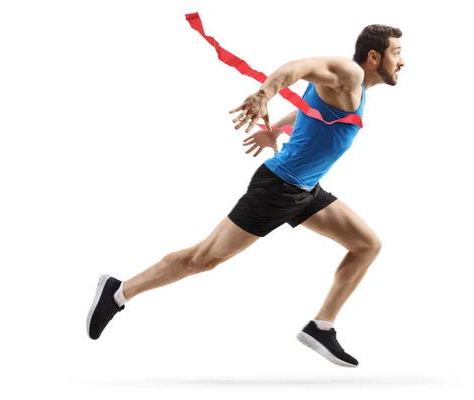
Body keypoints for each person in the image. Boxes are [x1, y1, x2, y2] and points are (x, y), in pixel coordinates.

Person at [87, 23, 404, 368]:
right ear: (374, 57)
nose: (402, 62)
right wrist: (264, 94)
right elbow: (296, 68)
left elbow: (313, 112)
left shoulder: (347, 91)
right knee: (204, 259)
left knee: (366, 245)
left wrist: (277, 131)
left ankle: (321, 327)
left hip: (304, 190)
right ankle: (118, 292)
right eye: (396, 53)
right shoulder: (349, 73)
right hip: (279, 188)